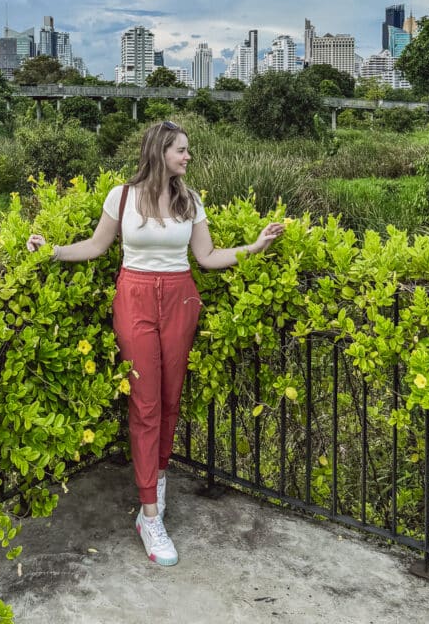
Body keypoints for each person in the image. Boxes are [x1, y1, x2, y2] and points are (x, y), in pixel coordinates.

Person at [26, 120, 285, 566]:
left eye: (188, 150)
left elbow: (206, 258)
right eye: (181, 150)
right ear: (160, 151)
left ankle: (157, 478)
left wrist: (255, 246)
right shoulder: (121, 196)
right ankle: (150, 515)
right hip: (136, 296)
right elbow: (96, 245)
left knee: (168, 399)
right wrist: (52, 251)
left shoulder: (190, 199)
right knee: (144, 401)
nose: (188, 157)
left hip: (181, 295)